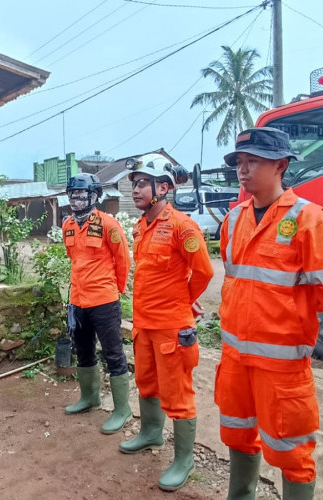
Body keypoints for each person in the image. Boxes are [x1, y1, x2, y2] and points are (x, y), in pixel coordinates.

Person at [216, 128, 323, 500]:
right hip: (235, 359)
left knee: (291, 451)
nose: (243, 170)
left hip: (280, 366)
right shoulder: (234, 220)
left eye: (254, 162)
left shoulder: (308, 219)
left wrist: (286, 313)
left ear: (281, 165)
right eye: (240, 163)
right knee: (237, 433)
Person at [118, 153, 213, 491]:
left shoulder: (182, 226)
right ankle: (150, 432)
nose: (136, 190)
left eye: (143, 183)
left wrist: (184, 300)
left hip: (173, 327)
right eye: (134, 184)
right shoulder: (141, 227)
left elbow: (204, 271)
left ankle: (184, 459)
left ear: (164, 187)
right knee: (146, 381)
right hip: (144, 323)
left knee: (178, 393)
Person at [62, 173, 133, 434]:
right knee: (83, 350)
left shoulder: (109, 224)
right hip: (77, 301)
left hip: (104, 300)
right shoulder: (67, 225)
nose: (76, 199)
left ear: (94, 196)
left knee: (113, 353)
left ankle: (122, 409)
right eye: (72, 195)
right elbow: (74, 258)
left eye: (81, 195)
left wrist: (117, 290)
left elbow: (122, 260)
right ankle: (89, 397)